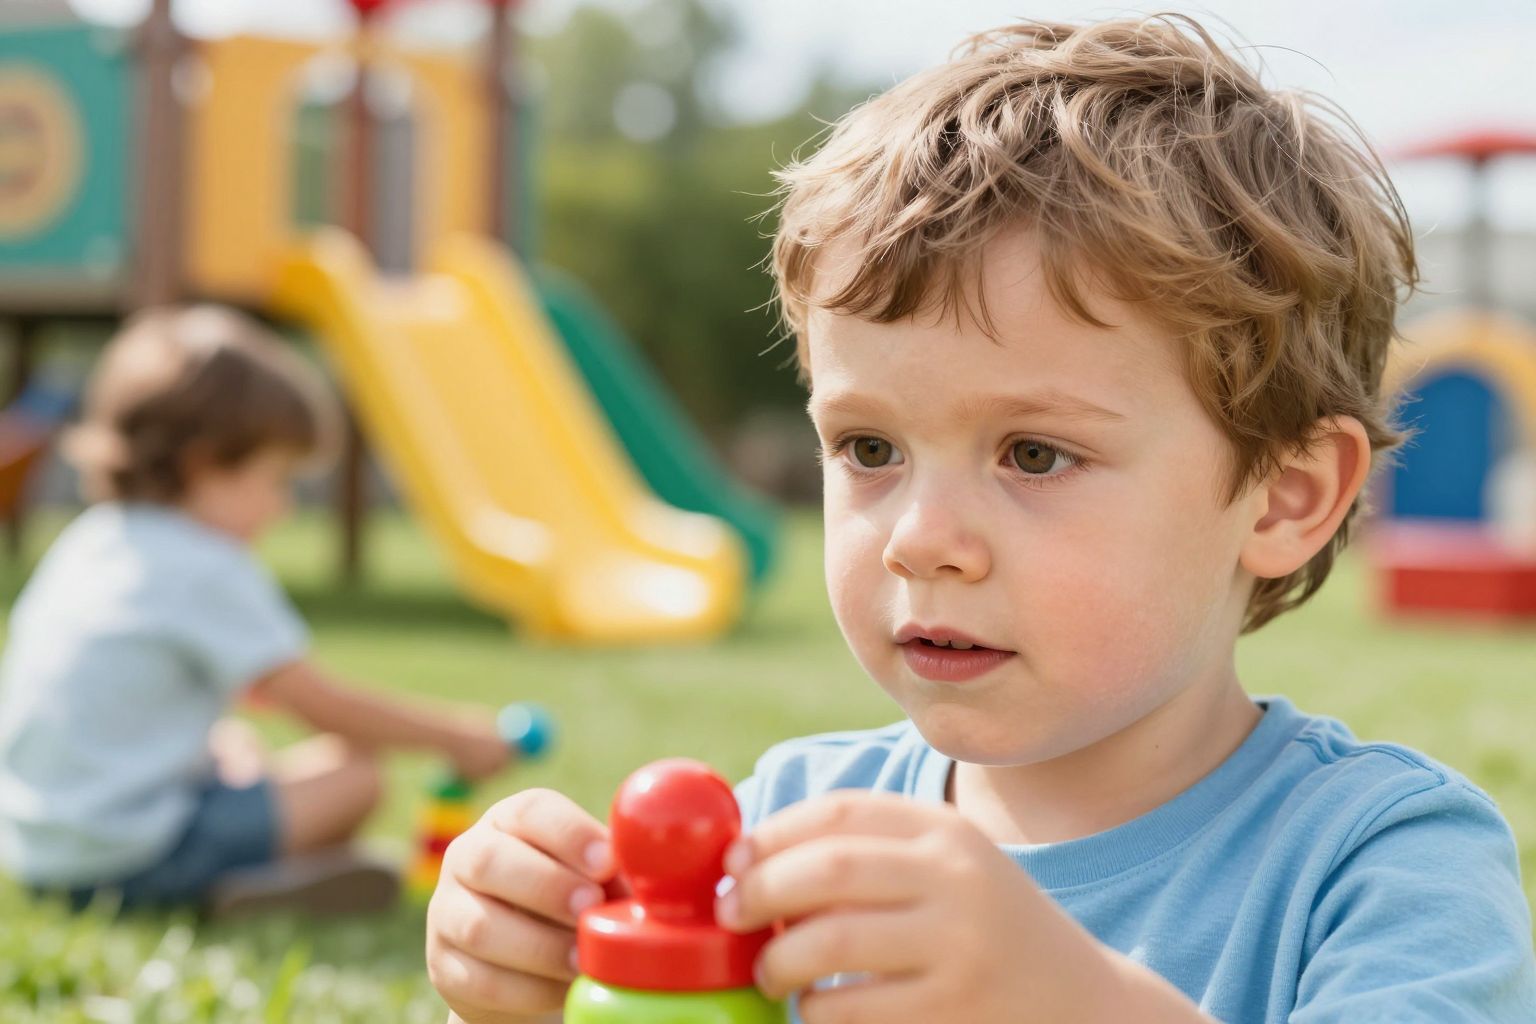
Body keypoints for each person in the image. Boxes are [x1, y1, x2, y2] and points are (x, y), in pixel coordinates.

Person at [424, 15, 1536, 1022]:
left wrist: (1078, 1003)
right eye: (868, 449)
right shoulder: (794, 825)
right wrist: (549, 968)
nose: (919, 536)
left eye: (1036, 453)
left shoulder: (1382, 861)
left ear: (1286, 495)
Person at [0, 305, 510, 916]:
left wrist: (218, 746)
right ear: (205, 464)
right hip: (133, 859)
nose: (283, 507)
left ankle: (254, 875)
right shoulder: (205, 562)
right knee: (356, 775)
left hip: (40, 856)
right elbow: (323, 705)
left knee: (245, 744)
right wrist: (458, 737)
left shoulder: (93, 539)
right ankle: (242, 890)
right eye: (275, 479)